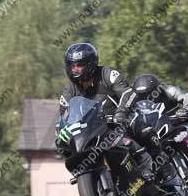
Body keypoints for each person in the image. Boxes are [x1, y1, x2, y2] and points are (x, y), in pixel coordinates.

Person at [57, 43, 175, 182]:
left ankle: (163, 164)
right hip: (95, 129)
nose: (76, 70)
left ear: (91, 63)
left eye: (80, 65)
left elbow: (128, 93)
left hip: (120, 118)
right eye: (72, 66)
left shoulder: (107, 74)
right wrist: (62, 134)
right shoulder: (68, 91)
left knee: (140, 127)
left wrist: (121, 113)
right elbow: (65, 116)